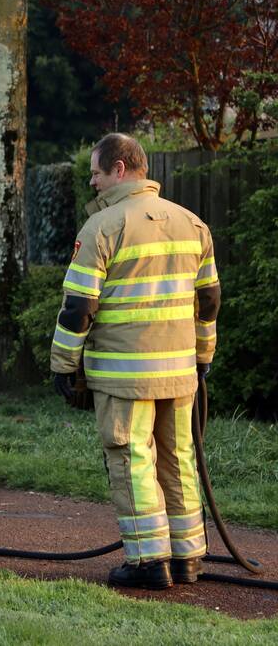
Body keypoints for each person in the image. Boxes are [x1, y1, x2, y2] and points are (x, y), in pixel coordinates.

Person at [50, 133, 220, 590]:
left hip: (125, 377)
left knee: (132, 458)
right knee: (179, 458)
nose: (92, 181)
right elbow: (209, 302)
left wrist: (64, 364)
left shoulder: (104, 227)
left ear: (120, 170)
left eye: (96, 172)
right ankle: (186, 558)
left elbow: (77, 308)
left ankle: (148, 561)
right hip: (180, 373)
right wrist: (203, 355)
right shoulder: (193, 224)